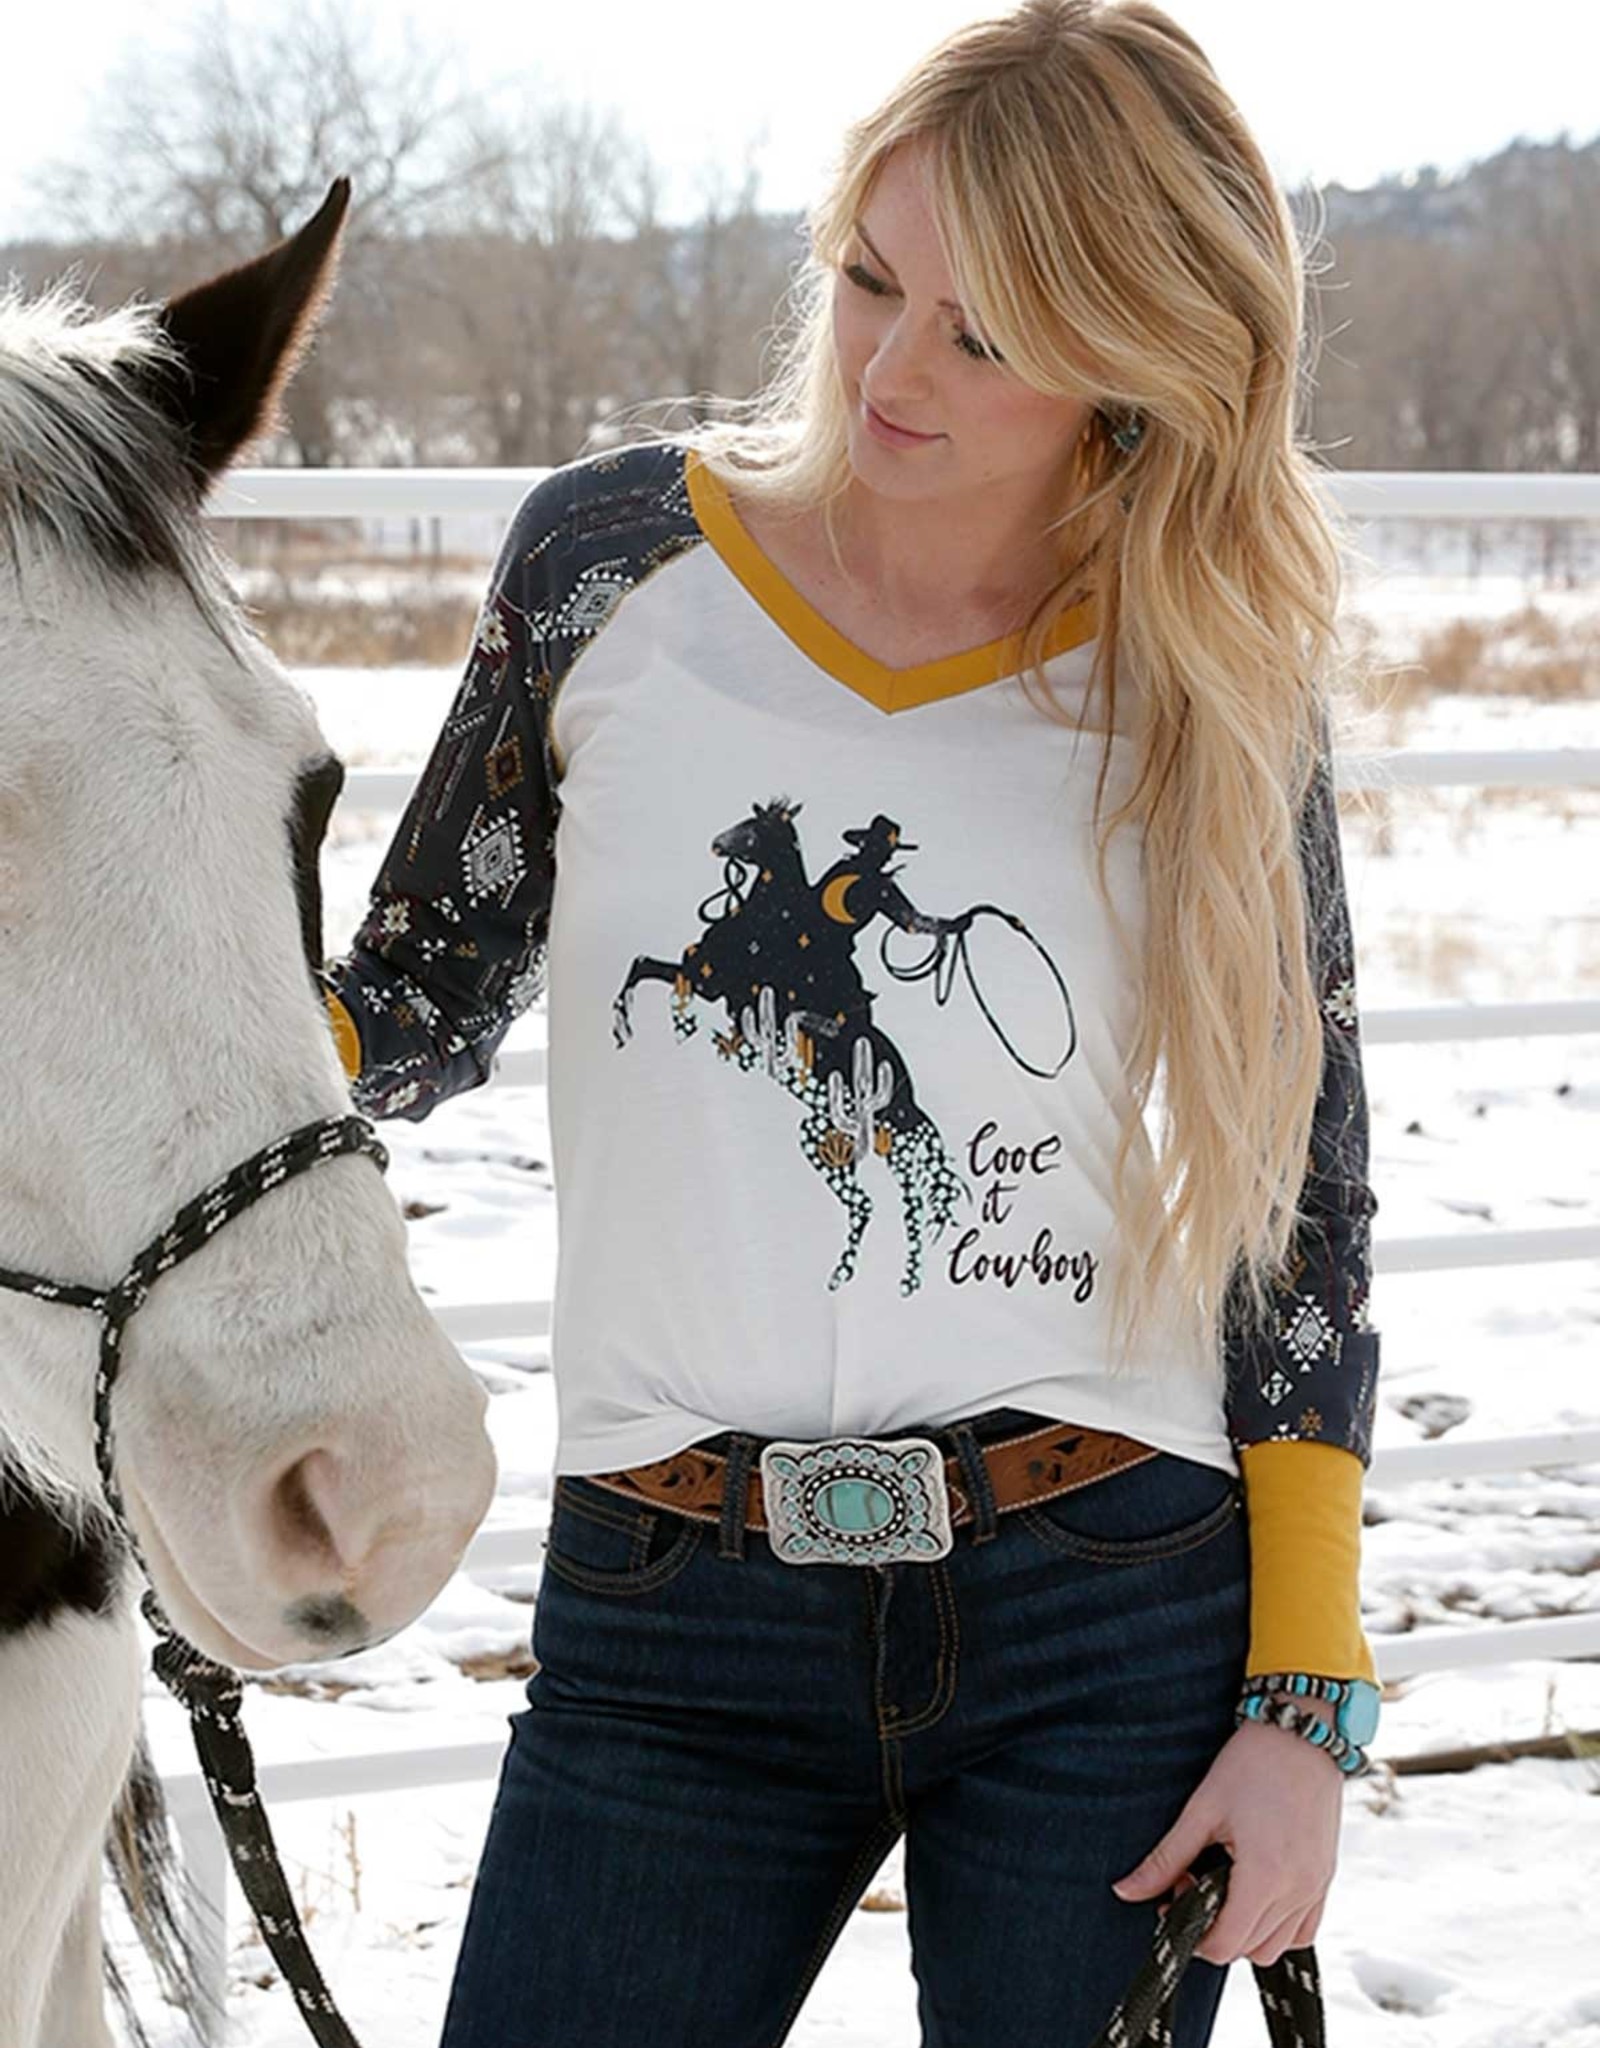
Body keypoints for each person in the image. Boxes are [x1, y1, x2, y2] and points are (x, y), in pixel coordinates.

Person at [320, 3, 1384, 2041]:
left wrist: (1302, 1697)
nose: (889, 369)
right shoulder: (604, 568)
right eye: (868, 279)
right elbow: (417, 999)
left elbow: (1296, 1199)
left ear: (1131, 359)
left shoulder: (1202, 664)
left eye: (982, 337)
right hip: (665, 1609)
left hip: (1105, 1597)